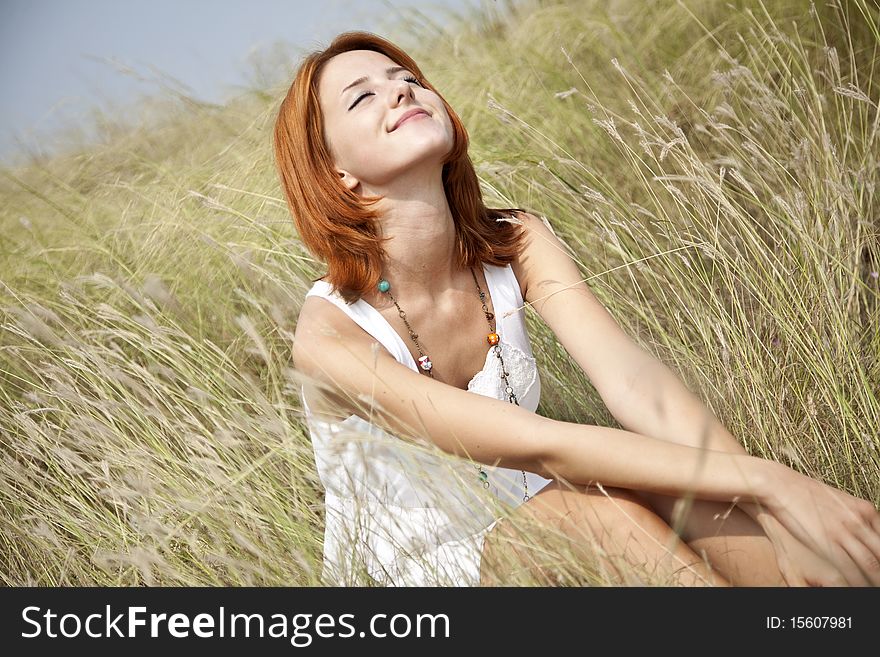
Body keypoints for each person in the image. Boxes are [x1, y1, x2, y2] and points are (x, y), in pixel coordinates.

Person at [273, 31, 880, 587]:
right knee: (605, 518)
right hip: (423, 568)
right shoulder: (329, 334)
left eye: (406, 76)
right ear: (337, 172)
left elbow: (641, 389)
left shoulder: (518, 241)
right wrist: (774, 481)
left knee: (707, 502)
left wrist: (773, 508)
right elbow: (542, 445)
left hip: (539, 504)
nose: (401, 88)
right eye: (362, 97)